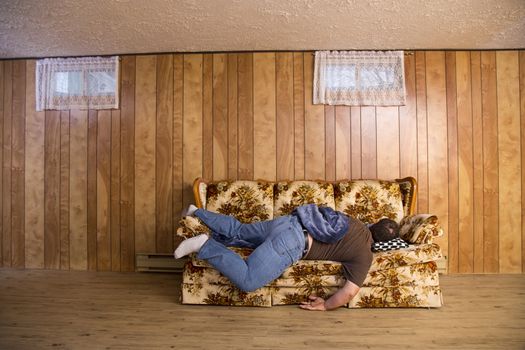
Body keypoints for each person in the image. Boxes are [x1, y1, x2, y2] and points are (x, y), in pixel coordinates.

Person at [174, 204, 399, 311]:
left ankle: (196, 212)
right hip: (293, 243)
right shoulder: (365, 255)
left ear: (375, 223)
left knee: (239, 231)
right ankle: (205, 245)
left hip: (288, 222)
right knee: (249, 280)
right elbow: (349, 292)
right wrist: (325, 306)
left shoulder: (356, 222)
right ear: (381, 244)